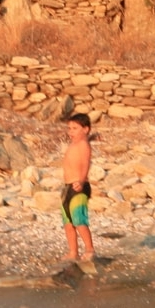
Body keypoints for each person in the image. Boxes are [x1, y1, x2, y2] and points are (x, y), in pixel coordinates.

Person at [59, 111, 96, 274]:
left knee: (79, 221)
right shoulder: (78, 142)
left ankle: (89, 250)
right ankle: (73, 251)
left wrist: (81, 180)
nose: (71, 132)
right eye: (69, 128)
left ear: (85, 129)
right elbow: (87, 137)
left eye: (75, 128)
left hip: (79, 187)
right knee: (68, 223)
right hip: (67, 187)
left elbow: (86, 163)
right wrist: (93, 136)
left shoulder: (83, 145)